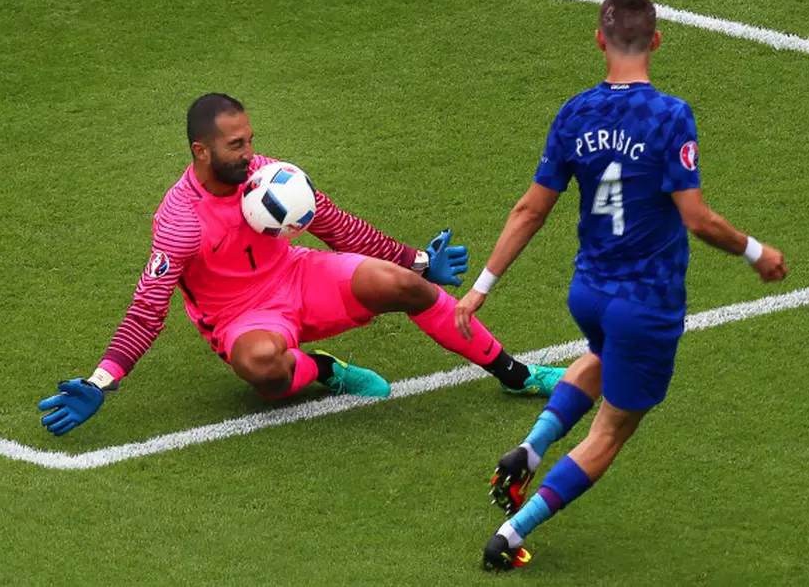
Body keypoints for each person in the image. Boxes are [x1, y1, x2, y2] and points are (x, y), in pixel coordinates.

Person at [452, 0, 788, 570]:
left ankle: (531, 449)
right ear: (655, 40)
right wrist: (755, 251)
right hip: (646, 303)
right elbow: (698, 218)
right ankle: (512, 534)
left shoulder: (575, 111)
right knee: (611, 430)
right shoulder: (670, 116)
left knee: (601, 354)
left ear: (600, 40)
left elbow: (531, 209)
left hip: (590, 293)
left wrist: (482, 286)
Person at [38, 94, 566, 436]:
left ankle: (515, 375)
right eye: (236, 144)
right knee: (262, 368)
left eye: (251, 139)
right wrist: (102, 381)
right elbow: (147, 310)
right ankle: (325, 370)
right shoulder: (180, 220)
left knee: (403, 286)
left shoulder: (272, 177)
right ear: (201, 151)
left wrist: (418, 262)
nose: (251, 153)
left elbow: (335, 225)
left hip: (298, 276)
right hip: (242, 319)